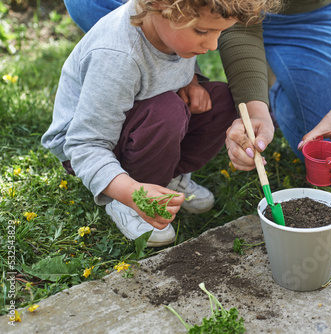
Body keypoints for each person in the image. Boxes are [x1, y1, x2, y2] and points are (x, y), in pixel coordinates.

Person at [63, 0, 331, 187]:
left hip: (312, 18)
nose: (212, 47)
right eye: (205, 35)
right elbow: (233, 13)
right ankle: (147, 78)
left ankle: (285, 91)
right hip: (224, 10)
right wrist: (253, 106)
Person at [41, 0, 280, 247]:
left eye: (220, 32)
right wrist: (132, 193)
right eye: (201, 31)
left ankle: (166, 178)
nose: (212, 45)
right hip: (89, 145)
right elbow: (85, 146)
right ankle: (130, 198)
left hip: (140, 118)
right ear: (158, 5)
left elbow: (166, 61)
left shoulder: (168, 26)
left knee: (221, 100)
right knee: (167, 112)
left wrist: (192, 80)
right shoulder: (117, 56)